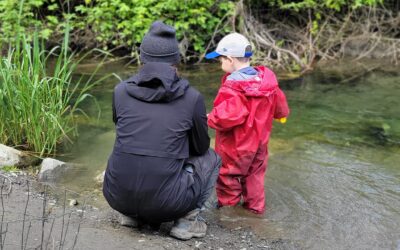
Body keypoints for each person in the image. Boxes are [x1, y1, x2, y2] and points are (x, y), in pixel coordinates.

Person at [103, 21, 221, 240]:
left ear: (142, 58)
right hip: (167, 205)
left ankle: (132, 215)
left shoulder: (120, 91)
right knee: (212, 158)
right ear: (176, 61)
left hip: (117, 197)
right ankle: (186, 222)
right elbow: (201, 148)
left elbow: (122, 128)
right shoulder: (192, 98)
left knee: (127, 145)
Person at [205, 33, 289, 214]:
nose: (220, 63)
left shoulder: (233, 87)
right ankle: (255, 210)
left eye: (221, 60)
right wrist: (282, 115)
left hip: (236, 146)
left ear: (230, 59)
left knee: (228, 176)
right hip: (260, 144)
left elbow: (227, 117)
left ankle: (228, 210)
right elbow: (280, 102)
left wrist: (209, 118)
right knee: (254, 177)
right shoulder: (267, 83)